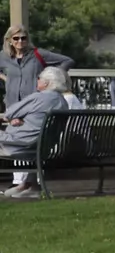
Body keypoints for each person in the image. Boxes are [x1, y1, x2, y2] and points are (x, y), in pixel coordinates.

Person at [1, 66, 70, 198]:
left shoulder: (38, 98)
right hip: (41, 148)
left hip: (18, 146)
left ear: (46, 83)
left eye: (39, 78)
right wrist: (22, 120)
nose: (37, 81)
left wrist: (16, 118)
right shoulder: (62, 102)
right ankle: (31, 185)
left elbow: (9, 113)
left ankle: (28, 185)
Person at [2, 25, 72, 113]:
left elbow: (68, 61)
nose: (20, 41)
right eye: (16, 38)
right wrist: (6, 79)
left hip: (35, 105)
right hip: (12, 105)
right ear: (9, 41)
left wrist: (52, 75)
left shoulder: (38, 54)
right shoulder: (4, 56)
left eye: (23, 38)